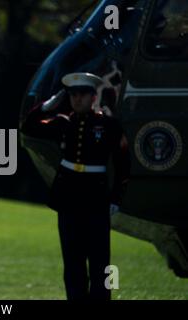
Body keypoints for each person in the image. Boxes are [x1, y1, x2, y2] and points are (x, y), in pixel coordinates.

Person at [20, 72, 130, 300]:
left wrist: (116, 198)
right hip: (69, 200)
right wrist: (45, 107)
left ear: (93, 97)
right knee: (73, 262)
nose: (77, 99)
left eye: (82, 94)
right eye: (73, 94)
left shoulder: (108, 125)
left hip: (96, 200)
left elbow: (122, 164)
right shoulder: (63, 122)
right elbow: (29, 127)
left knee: (100, 262)